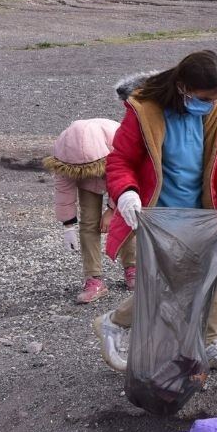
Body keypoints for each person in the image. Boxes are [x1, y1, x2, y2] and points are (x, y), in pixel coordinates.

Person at [93, 51, 217, 373]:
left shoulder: (215, 112)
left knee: (212, 277)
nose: (209, 104)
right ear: (182, 87)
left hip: (201, 213)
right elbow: (120, 161)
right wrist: (126, 194)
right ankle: (112, 324)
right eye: (204, 98)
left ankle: (209, 344)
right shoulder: (145, 110)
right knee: (167, 288)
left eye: (215, 98)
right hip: (157, 217)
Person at [44, 118, 135, 304]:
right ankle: (93, 278)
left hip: (115, 171)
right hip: (86, 180)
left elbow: (127, 178)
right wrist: (68, 225)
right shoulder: (64, 152)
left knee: (126, 216)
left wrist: (111, 210)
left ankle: (132, 268)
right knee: (89, 222)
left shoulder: (119, 137)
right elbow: (63, 188)